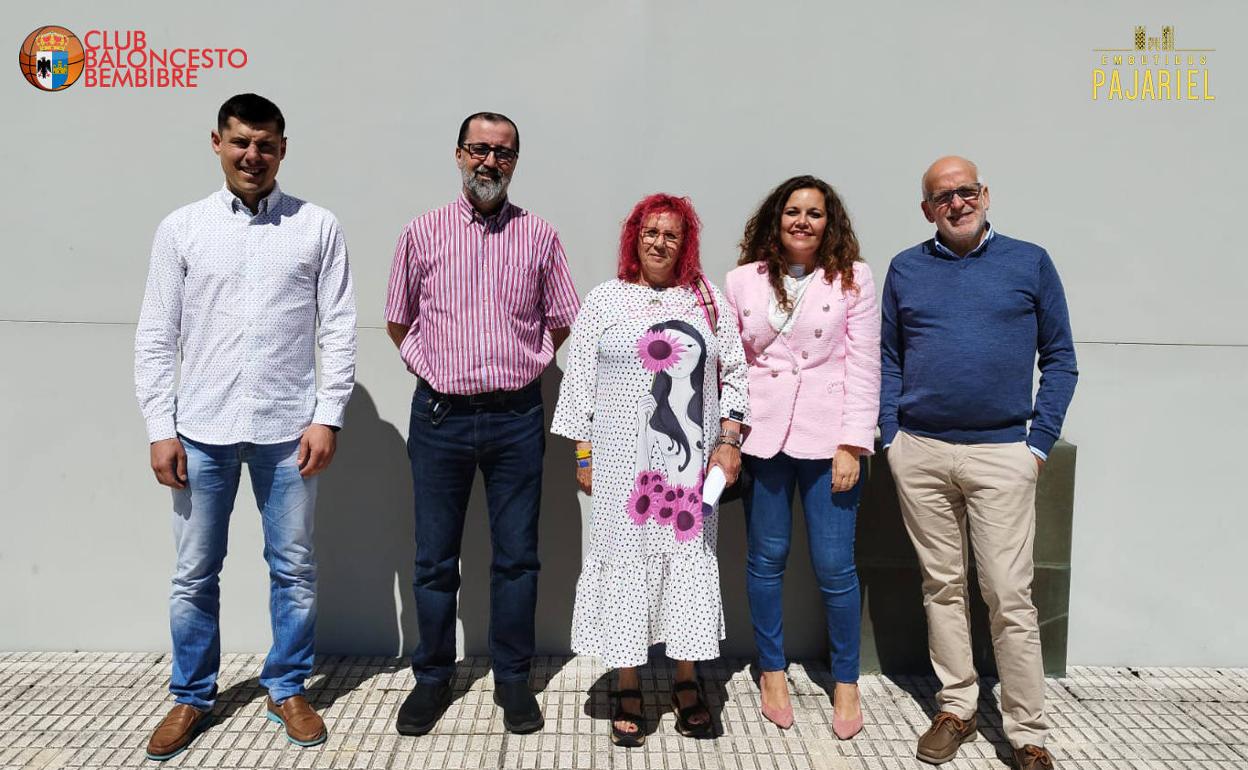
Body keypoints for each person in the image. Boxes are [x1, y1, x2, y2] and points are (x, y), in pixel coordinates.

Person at [134, 93, 357, 761]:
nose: (252, 155)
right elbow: (155, 335)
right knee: (195, 572)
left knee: (293, 568)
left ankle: (287, 685)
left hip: (289, 431)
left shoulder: (316, 226)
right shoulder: (182, 228)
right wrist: (158, 425)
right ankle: (191, 695)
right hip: (200, 428)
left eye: (265, 144)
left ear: (283, 149)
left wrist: (328, 416)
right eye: (240, 142)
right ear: (217, 143)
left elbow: (339, 329)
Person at [384, 112, 580, 737]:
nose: (489, 162)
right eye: (478, 150)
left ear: (515, 161)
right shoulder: (422, 232)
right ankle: (432, 678)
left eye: (502, 152)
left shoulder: (540, 236)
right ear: (458, 154)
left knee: (518, 559)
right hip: (439, 415)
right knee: (435, 560)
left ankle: (513, 680)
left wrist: (523, 368)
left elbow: (562, 319)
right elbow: (397, 318)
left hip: (516, 416)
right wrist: (432, 367)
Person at [880, 156, 1077, 769]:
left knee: (1009, 594)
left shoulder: (1029, 262)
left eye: (966, 191)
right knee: (942, 585)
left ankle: (1027, 734)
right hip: (922, 451)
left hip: (1001, 451)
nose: (957, 203)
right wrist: (892, 437)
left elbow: (1062, 359)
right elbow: (887, 358)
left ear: (985, 194)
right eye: (942, 197)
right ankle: (958, 707)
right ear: (926, 209)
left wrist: (1038, 442)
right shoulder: (906, 269)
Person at [552, 193, 749, 746]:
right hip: (621, 471)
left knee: (688, 561)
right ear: (634, 238)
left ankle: (687, 680)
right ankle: (629, 680)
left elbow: (734, 373)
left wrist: (730, 440)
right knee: (625, 564)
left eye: (672, 234)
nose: (660, 242)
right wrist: (583, 453)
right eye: (650, 232)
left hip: (689, 470)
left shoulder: (703, 301)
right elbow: (579, 382)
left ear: (686, 244)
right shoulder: (604, 300)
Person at [723, 175, 880, 738]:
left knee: (836, 567)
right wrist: (731, 437)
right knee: (766, 559)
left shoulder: (854, 278)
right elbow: (732, 365)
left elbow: (864, 365)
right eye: (793, 211)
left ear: (829, 221)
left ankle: (845, 680)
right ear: (776, 217)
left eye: (815, 213)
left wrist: (852, 444)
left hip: (829, 437)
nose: (802, 222)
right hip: (764, 438)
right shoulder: (742, 281)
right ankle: (771, 671)